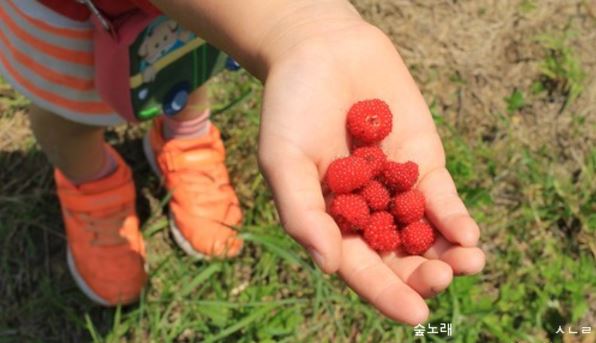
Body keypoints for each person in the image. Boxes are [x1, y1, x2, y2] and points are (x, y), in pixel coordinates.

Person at [0, 0, 485, 325]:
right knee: (68, 111)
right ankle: (92, 184)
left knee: (181, 73)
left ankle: (184, 139)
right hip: (61, 14)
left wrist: (306, 27)